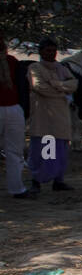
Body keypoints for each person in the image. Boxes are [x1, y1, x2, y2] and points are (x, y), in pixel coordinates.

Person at [26, 37, 78, 193]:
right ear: (41, 51)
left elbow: (74, 84)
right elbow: (40, 87)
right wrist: (62, 89)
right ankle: (37, 181)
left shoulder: (61, 68)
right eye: (48, 50)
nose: (51, 54)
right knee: (43, 150)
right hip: (44, 116)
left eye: (54, 51)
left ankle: (58, 180)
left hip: (61, 115)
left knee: (60, 150)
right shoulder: (35, 68)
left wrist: (55, 85)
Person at [1, 35, 29, 198]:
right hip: (11, 109)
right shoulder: (12, 62)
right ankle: (17, 188)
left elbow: (22, 87)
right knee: (14, 152)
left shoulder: (13, 62)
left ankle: (17, 188)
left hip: (13, 108)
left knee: (15, 152)